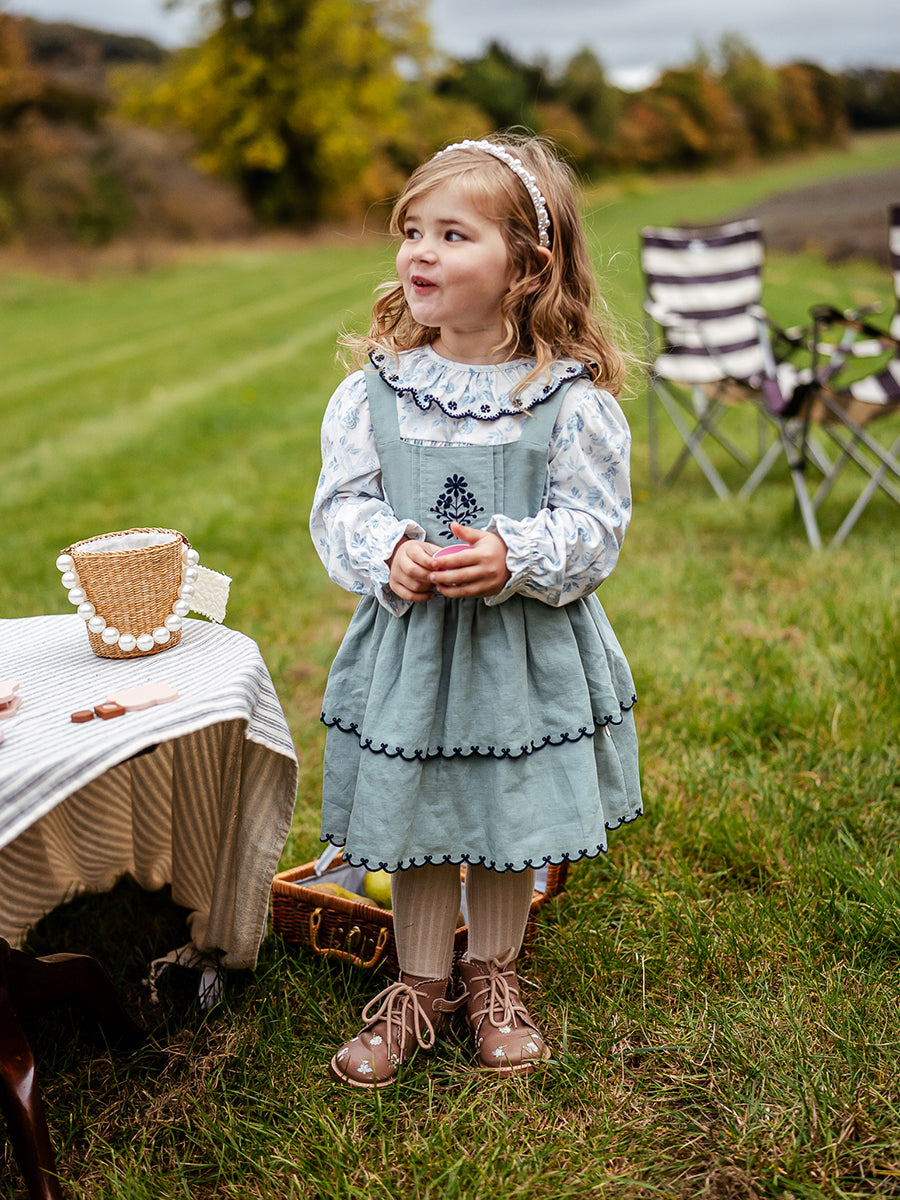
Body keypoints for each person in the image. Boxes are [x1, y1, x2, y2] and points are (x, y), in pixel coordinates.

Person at [309, 134, 641, 1088]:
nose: (421, 252)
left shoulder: (565, 401)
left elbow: (595, 528)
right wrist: (389, 549)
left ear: (525, 265)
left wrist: (517, 553)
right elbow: (341, 507)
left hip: (518, 652)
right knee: (415, 807)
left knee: (505, 811)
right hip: (412, 650)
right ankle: (420, 982)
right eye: (412, 230)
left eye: (453, 235)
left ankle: (492, 973)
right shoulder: (373, 393)